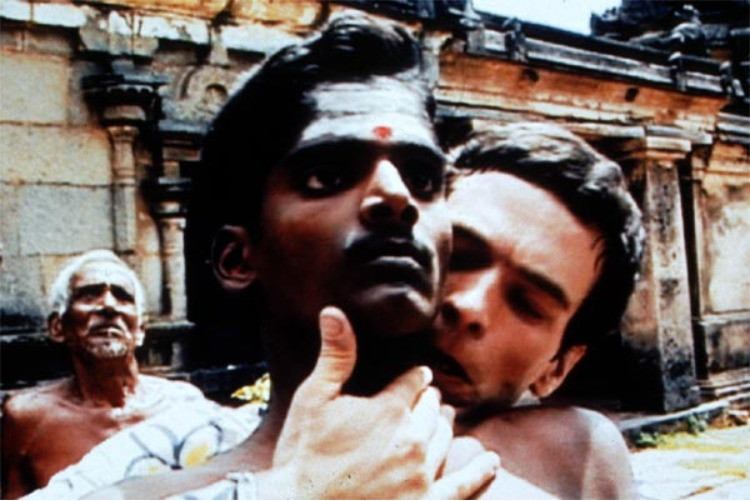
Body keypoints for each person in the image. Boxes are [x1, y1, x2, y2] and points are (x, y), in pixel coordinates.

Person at [25, 12, 505, 500]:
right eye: (327, 176)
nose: (396, 195)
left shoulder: (532, 476)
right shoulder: (144, 466)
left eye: (423, 179)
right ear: (238, 259)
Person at [428, 123, 644, 499]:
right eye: (457, 257)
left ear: (556, 367)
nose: (469, 307)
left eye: (527, 305)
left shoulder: (579, 452)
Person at [0, 250, 244, 499]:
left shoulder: (183, 405)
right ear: (58, 326)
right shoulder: (28, 419)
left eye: (122, 296)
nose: (109, 306)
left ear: (140, 330)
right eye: (89, 294)